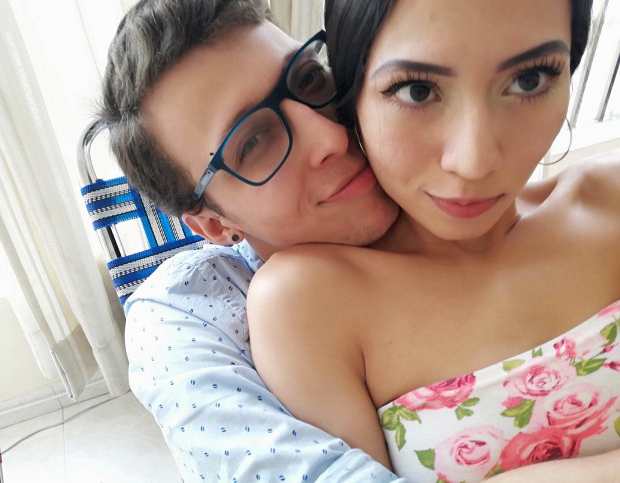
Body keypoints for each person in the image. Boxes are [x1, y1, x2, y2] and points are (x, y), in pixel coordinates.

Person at [101, 0, 619, 481]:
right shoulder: (229, 311)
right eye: (253, 142)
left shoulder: (600, 198)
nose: (332, 136)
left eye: (309, 79)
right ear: (215, 226)